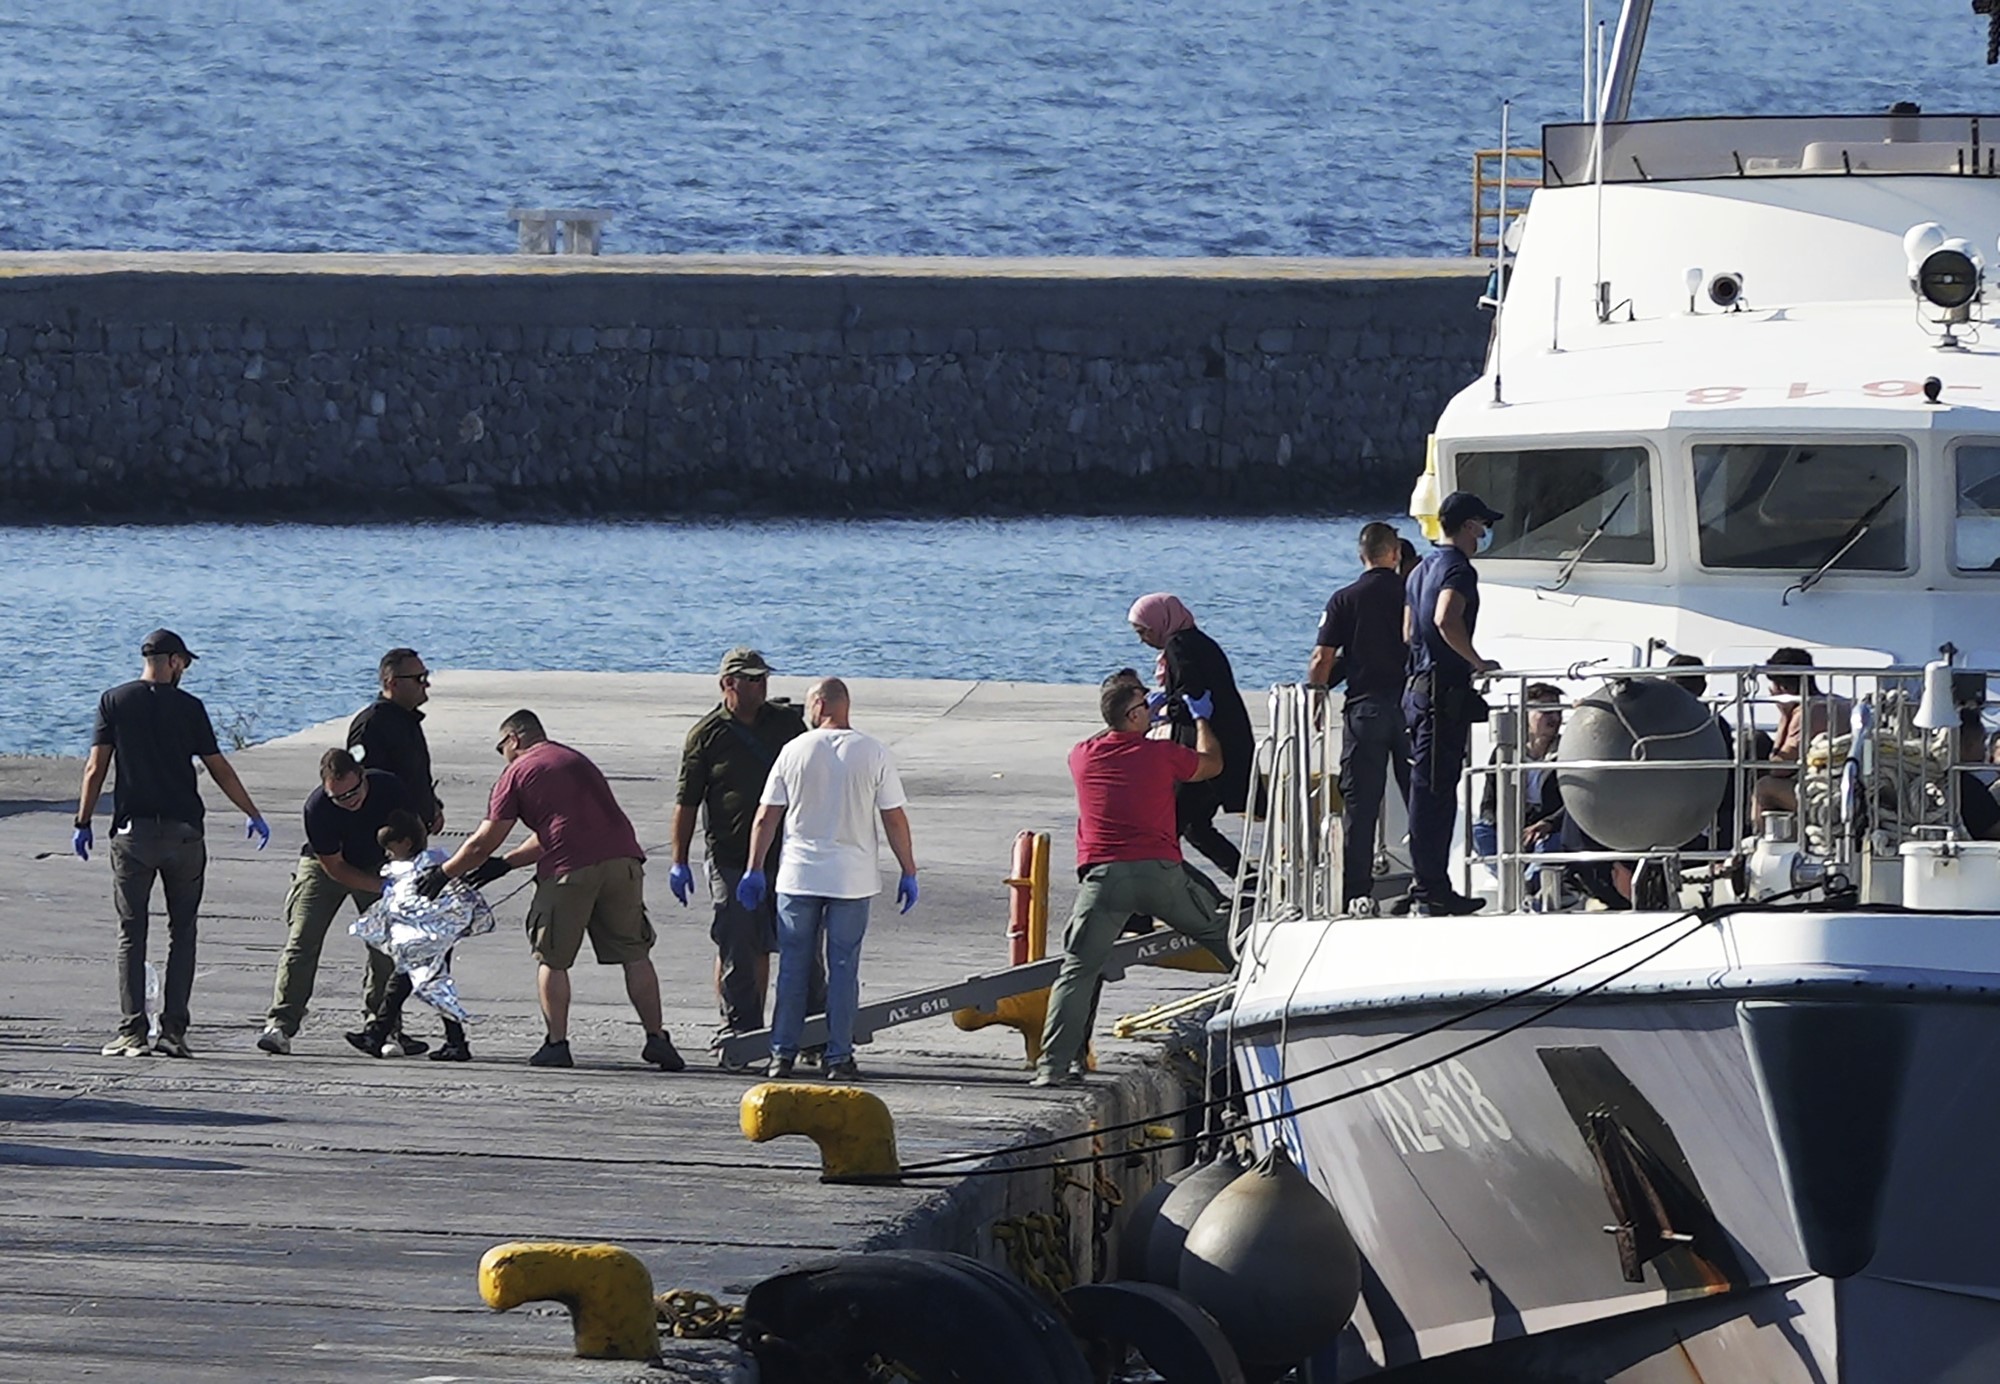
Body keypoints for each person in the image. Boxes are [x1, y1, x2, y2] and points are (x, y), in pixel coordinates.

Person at [416, 709, 686, 1072]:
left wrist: (443, 874)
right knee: (635, 953)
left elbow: (483, 842)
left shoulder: (518, 771)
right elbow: (559, 827)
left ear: (514, 739)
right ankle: (657, 1039)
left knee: (552, 959)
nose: (503, 755)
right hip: (623, 863)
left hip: (569, 873)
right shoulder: (575, 760)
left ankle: (556, 1044)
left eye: (502, 747)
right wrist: (508, 863)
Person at [74, 629, 270, 1058]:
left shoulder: (114, 701)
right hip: (184, 834)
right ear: (175, 661)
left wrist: (83, 820)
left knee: (132, 933)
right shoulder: (190, 708)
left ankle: (132, 1032)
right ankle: (173, 1031)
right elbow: (218, 768)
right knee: (183, 932)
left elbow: (95, 768)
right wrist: (252, 813)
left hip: (133, 834)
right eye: (185, 663)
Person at [1035, 678, 1237, 1087]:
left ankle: (1052, 1069)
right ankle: (1271, 997)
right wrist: (1200, 720)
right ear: (1132, 715)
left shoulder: (1081, 756)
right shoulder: (1161, 754)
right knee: (1225, 938)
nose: (1151, 710)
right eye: (1144, 706)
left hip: (1104, 880)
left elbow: (1106, 736)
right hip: (1160, 875)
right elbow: (1212, 762)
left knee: (1077, 971)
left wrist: (1127, 720)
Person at [737, 679, 918, 1083]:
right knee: (843, 968)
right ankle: (839, 1056)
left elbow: (766, 816)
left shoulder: (793, 750)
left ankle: (781, 1055)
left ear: (820, 704)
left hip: (799, 876)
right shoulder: (873, 752)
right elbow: (894, 817)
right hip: (852, 879)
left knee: (794, 968)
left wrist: (753, 868)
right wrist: (908, 869)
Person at [669, 647, 823, 1060]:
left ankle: (814, 1033)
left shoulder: (787, 724)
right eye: (751, 679)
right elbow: (687, 802)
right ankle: (741, 1031)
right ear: (728, 684)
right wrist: (679, 860)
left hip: (789, 856)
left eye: (763, 678)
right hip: (731, 858)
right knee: (738, 945)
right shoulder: (706, 735)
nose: (760, 685)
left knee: (802, 945)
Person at [258, 748, 425, 1058]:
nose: (349, 800)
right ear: (325, 789)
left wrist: (407, 879)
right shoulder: (317, 808)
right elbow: (334, 868)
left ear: (363, 776)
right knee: (302, 938)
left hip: (379, 863)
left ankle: (383, 1027)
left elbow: (413, 836)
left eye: (353, 791)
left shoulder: (389, 788)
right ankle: (280, 1024)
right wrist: (380, 886)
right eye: (339, 797)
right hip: (325, 867)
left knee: (386, 946)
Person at [1404, 492, 1504, 916]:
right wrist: (1476, 661)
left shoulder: (1420, 569)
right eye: (1482, 525)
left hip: (1418, 688)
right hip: (1443, 691)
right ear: (1468, 526)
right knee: (1436, 792)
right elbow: (1446, 617)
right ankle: (1431, 890)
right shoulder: (1459, 569)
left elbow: (1409, 630)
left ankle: (1428, 883)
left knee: (1425, 789)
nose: (1484, 533)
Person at [1310, 522, 1413, 908]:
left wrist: (1318, 697)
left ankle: (1356, 892)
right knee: (1420, 796)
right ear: (1396, 553)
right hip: (1409, 708)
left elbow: (1322, 658)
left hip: (1365, 710)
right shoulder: (1411, 594)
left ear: (1361, 555)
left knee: (1360, 805)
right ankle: (1431, 881)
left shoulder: (1344, 599)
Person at [1127, 593, 1254, 879]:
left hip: (1203, 749)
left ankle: (1155, 899)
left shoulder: (1178, 646)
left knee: (1165, 829)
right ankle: (1252, 883)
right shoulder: (1199, 641)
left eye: (1143, 631)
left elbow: (1191, 695)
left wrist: (1156, 707)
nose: (1142, 639)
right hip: (1225, 745)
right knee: (1194, 825)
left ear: (1159, 622)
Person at [357, 809, 478, 1062]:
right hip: (425, 939)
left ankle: (377, 1034)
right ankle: (454, 1042)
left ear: (405, 843)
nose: (387, 855)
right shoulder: (430, 863)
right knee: (425, 988)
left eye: (390, 849)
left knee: (404, 987)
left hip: (431, 940)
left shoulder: (425, 867)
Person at [1752, 647, 1851, 828]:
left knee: (1764, 786)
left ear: (1781, 688)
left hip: (1825, 795)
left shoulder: (1805, 712)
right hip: (1850, 787)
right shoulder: (1841, 703)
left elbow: (1778, 768)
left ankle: (1756, 840)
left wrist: (1784, 717)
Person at [349, 647, 443, 833]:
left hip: (413, 831)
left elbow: (414, 775)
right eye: (419, 679)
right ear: (393, 684)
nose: (426, 684)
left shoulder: (408, 719)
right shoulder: (371, 725)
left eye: (426, 676)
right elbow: (361, 781)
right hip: (386, 834)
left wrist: (432, 806)